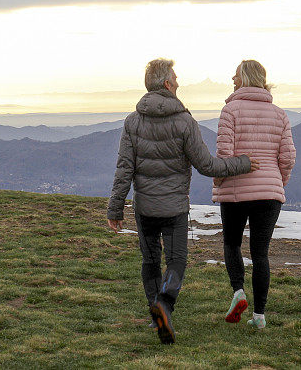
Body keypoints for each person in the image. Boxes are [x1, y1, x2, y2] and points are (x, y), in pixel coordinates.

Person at [107, 58, 259, 344]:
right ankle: (164, 304)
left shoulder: (132, 121)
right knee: (176, 261)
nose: (178, 82)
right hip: (174, 208)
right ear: (167, 84)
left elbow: (124, 168)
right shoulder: (184, 121)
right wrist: (243, 163)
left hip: (145, 208)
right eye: (175, 78)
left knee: (150, 260)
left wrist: (115, 208)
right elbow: (208, 166)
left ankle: (157, 314)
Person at [212, 59, 296, 329]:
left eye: (235, 75)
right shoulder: (280, 114)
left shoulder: (230, 110)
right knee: (261, 254)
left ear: (244, 78)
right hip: (270, 192)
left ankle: (238, 292)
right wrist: (277, 182)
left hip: (236, 188)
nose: (232, 78)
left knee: (232, 243)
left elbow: (225, 154)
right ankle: (259, 316)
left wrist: (220, 181)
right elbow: (288, 158)